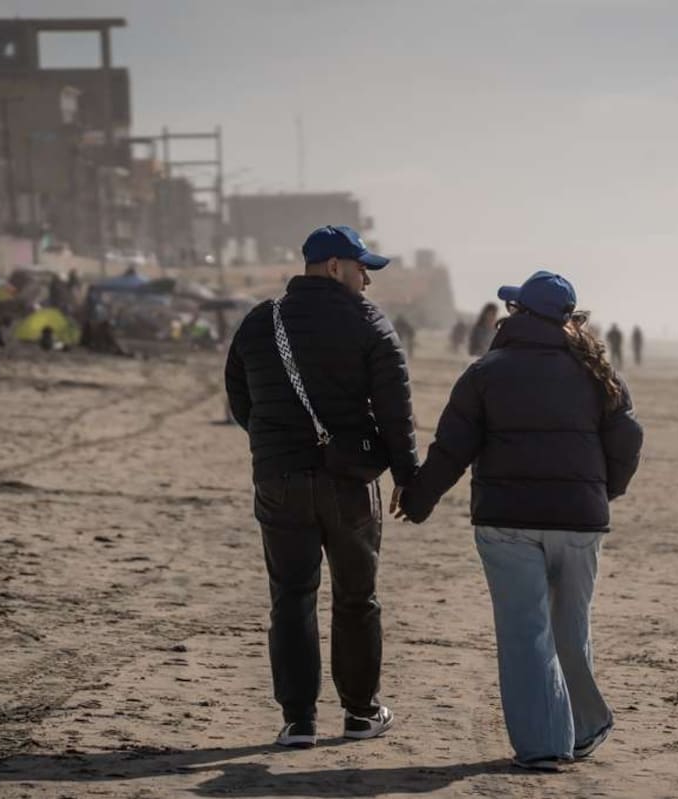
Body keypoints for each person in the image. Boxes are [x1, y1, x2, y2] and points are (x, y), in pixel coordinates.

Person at [397, 270, 643, 772]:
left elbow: (452, 448)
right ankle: (584, 728)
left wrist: (419, 498)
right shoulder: (598, 372)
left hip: (507, 522)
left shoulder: (486, 372)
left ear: (518, 314)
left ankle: (546, 745)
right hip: (579, 522)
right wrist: (605, 491)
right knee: (571, 631)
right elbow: (628, 440)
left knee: (525, 633)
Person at [224, 224, 418, 749]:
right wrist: (407, 474)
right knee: (357, 597)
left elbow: (241, 401)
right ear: (335, 267)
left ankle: (298, 722)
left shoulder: (261, 322)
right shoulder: (367, 322)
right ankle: (359, 714)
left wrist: (276, 447)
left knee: (291, 597)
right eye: (362, 270)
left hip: (279, 479)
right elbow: (395, 407)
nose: (367, 282)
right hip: (348, 482)